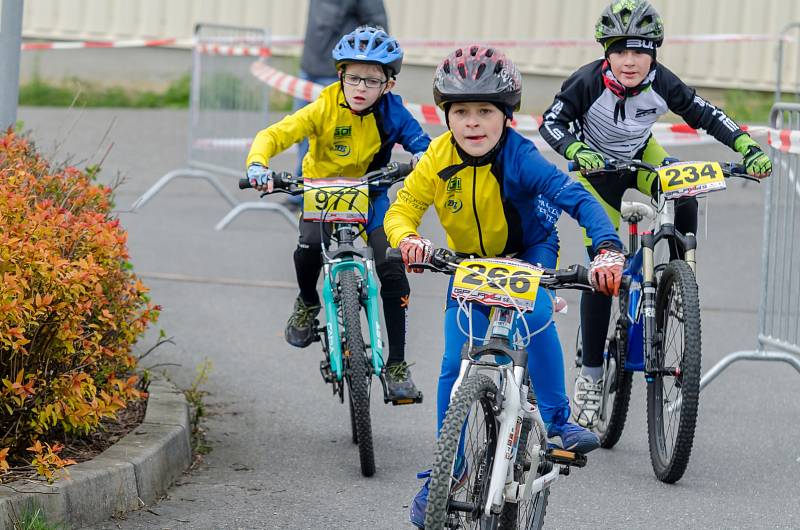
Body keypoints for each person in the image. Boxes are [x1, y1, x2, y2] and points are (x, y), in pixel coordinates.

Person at [383, 46, 626, 528]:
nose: (473, 123)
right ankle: (446, 471)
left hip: (526, 253)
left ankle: (558, 421)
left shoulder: (520, 157)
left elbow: (576, 196)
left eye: (486, 112)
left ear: (506, 116)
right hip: (468, 263)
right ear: (446, 116)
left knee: (534, 316)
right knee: (455, 364)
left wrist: (607, 247)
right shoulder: (436, 157)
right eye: (462, 112)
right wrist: (407, 238)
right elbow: (402, 207)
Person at [539, 0, 772, 428]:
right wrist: (575, 149)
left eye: (641, 51)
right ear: (606, 52)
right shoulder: (588, 81)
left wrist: (746, 146)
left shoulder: (660, 82)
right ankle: (591, 376)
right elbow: (550, 122)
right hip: (596, 173)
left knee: (686, 188)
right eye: (620, 50)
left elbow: (708, 114)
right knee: (603, 269)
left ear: (654, 54)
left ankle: (681, 282)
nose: (631, 61)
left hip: (641, 158)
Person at [246, 25, 430, 402]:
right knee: (309, 247)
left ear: (388, 85)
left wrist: (421, 158)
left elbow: (422, 144)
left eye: (372, 80)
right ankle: (308, 302)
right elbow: (275, 134)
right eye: (353, 77)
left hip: (371, 194)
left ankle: (396, 364)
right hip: (320, 193)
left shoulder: (393, 112)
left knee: (392, 264)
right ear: (340, 75)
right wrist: (258, 166)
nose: (361, 87)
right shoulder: (324, 106)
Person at [286, 0, 389, 209]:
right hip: (309, 68)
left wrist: (362, 71)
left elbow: (378, 26)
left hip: (337, 74)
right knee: (302, 134)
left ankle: (330, 196)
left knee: (333, 138)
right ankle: (303, 193)